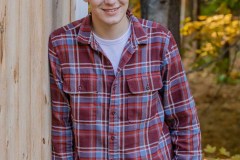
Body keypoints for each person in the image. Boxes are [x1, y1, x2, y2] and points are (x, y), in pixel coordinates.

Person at [48, 0, 202, 159]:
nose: (110, 1)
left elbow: (184, 120)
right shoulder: (61, 45)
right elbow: (61, 126)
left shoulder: (160, 40)